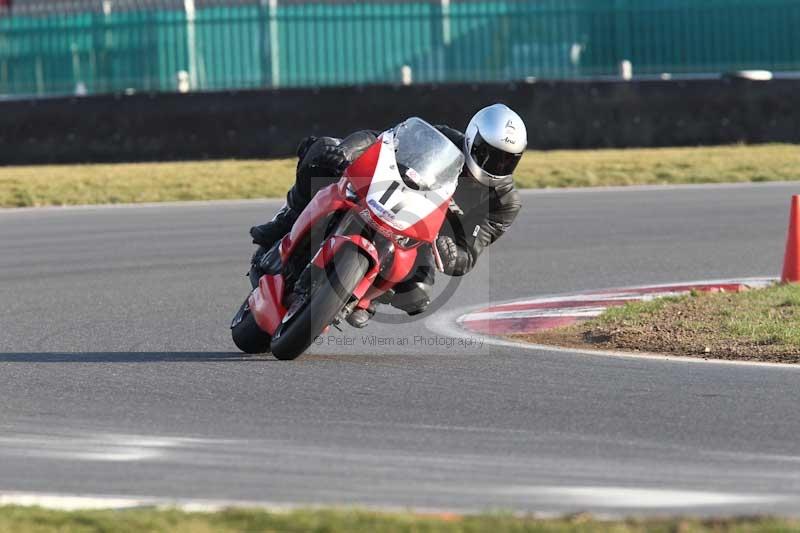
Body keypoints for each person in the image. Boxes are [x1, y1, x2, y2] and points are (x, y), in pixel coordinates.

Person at [250, 103, 526, 328]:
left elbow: (470, 253)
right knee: (322, 152)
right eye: (489, 154)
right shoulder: (442, 140)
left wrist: (452, 251)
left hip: (420, 239)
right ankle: (284, 222)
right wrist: (346, 152)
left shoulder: (504, 203)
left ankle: (364, 299)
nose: (496, 165)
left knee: (417, 295)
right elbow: (380, 139)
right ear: (472, 137)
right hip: (384, 197)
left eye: (506, 160)